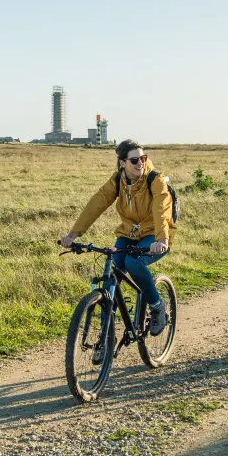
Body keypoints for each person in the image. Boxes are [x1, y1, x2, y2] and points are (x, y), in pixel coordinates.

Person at [60, 139, 175, 335]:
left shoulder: (155, 180)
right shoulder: (117, 181)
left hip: (154, 235)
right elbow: (97, 203)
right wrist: (73, 233)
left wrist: (161, 239)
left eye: (143, 158)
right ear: (122, 163)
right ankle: (106, 332)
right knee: (114, 268)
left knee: (133, 263)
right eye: (134, 160)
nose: (140, 163)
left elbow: (161, 208)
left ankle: (157, 306)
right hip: (128, 234)